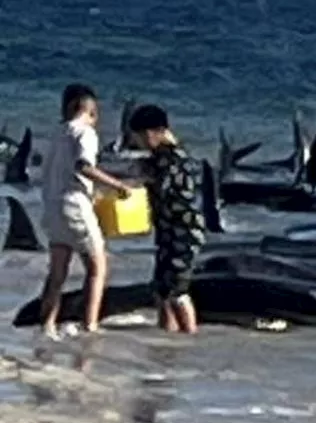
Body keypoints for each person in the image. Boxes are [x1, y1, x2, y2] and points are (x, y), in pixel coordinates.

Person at [37, 83, 132, 338]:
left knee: (57, 273)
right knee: (97, 266)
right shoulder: (86, 133)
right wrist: (117, 185)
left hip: (52, 208)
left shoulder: (56, 134)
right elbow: (84, 166)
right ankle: (89, 325)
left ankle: (47, 325)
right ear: (90, 110)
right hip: (75, 207)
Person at [127, 104, 206, 334]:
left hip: (184, 233)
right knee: (161, 289)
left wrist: (132, 183)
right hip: (168, 232)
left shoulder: (172, 158)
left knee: (178, 291)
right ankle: (167, 336)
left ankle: (190, 336)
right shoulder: (163, 156)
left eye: (141, 138)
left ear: (154, 132)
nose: (140, 144)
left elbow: (160, 185)